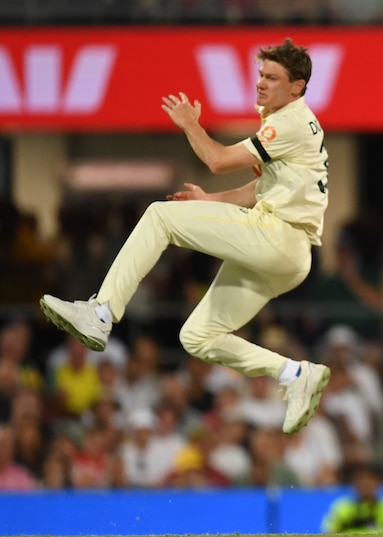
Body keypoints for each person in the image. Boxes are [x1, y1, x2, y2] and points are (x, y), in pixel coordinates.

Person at [38, 38, 331, 436]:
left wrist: (191, 124)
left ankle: (100, 314)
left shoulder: (291, 121)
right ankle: (295, 372)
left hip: (279, 237)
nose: (261, 83)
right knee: (197, 337)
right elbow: (258, 188)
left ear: (297, 86)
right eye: (261, 74)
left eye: (273, 77)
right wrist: (211, 199)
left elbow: (217, 160)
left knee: (160, 217)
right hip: (286, 255)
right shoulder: (286, 121)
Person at [321, 463, 383, 533]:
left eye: (370, 479)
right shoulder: (342, 507)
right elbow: (329, 531)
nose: (365, 483)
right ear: (354, 483)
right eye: (361, 479)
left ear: (378, 482)